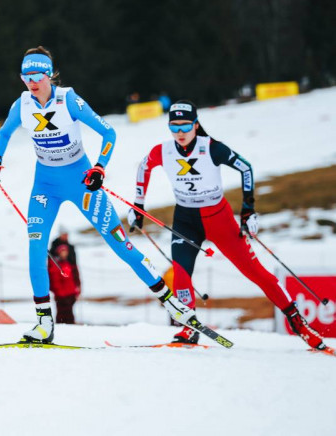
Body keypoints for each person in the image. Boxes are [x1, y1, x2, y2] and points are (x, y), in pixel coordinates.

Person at [0, 46, 199, 344]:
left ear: (49, 75)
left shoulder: (67, 99)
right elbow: (5, 132)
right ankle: (44, 323)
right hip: (45, 185)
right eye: (25, 76)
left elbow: (109, 133)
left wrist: (99, 167)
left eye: (37, 75)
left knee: (120, 244)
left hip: (80, 181)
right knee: (35, 249)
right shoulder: (21, 104)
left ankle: (172, 301)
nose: (31, 82)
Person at [129, 100, 328, 350]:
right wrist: (138, 206)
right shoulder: (164, 151)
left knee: (254, 272)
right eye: (174, 126)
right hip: (185, 218)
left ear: (196, 125)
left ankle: (299, 323)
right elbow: (144, 167)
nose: (180, 132)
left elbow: (245, 168)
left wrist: (248, 210)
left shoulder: (211, 148)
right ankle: (189, 327)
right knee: (180, 272)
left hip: (218, 219)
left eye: (185, 126)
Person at [48, 244, 81, 324]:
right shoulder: (55, 264)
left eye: (65, 251)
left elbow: (74, 278)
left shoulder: (69, 263)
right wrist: (59, 291)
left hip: (70, 293)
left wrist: (77, 290)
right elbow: (55, 279)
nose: (64, 253)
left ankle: (70, 327)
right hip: (61, 295)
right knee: (61, 314)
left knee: (69, 313)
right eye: (62, 251)